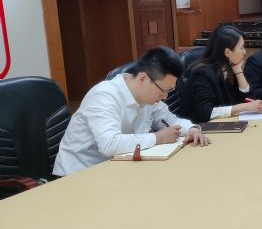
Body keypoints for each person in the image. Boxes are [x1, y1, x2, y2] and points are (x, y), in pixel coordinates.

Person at [53, 47, 210, 176]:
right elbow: (109, 144)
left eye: (170, 91)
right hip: (78, 175)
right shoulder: (104, 95)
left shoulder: (148, 95)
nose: (165, 97)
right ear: (142, 78)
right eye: (164, 90)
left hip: (117, 169)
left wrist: (191, 129)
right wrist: (157, 138)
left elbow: (170, 120)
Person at [181, 25, 262, 123]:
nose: (244, 52)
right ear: (227, 52)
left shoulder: (229, 67)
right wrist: (244, 107)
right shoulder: (202, 74)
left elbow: (248, 99)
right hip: (204, 128)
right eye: (241, 48)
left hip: (225, 123)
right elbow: (206, 112)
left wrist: (239, 72)